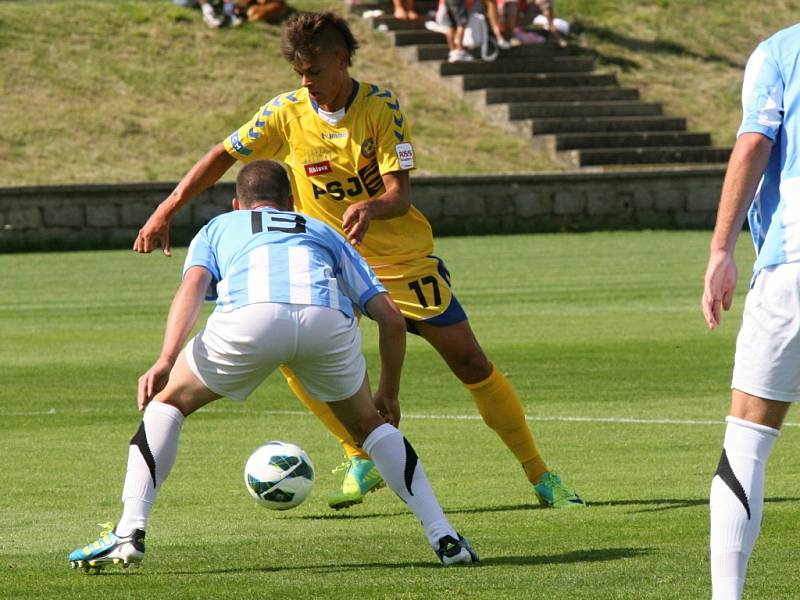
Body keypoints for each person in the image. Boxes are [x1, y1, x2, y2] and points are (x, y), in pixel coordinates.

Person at [134, 11, 584, 512]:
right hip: (324, 262)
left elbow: (400, 194)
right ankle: (358, 455)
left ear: (342, 59)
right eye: (300, 74)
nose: (308, 83)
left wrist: (370, 206)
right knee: (291, 355)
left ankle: (541, 475)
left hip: (399, 260)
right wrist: (167, 207)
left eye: (316, 71)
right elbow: (224, 153)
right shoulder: (285, 112)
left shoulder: (380, 108)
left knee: (469, 360)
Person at [67, 160, 478, 572]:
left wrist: (165, 359)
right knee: (370, 427)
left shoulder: (218, 226)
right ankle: (444, 536)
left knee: (167, 405)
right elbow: (390, 317)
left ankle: (130, 531)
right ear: (292, 201)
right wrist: (388, 392)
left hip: (251, 318)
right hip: (325, 320)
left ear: (237, 204)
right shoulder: (323, 231)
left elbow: (191, 289)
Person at [702, 23, 800, 600]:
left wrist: (721, 249)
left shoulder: (781, 50)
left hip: (792, 266)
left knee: (748, 439)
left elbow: (755, 142)